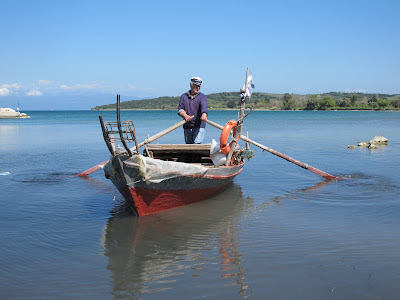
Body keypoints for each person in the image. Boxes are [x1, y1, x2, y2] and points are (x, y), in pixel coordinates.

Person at [178, 77, 208, 144]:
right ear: (191, 85)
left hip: (199, 126)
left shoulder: (202, 97)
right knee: (189, 146)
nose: (198, 88)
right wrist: (185, 115)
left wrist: (204, 114)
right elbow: (180, 109)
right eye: (196, 85)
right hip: (187, 126)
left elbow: (204, 107)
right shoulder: (184, 96)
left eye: (199, 86)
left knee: (196, 144)